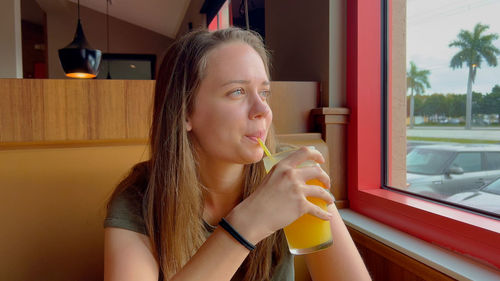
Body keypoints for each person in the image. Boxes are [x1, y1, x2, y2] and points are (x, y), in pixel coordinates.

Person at [103, 27, 371, 281]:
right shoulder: (140, 198)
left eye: (264, 93)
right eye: (237, 92)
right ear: (184, 111)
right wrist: (249, 222)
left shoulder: (292, 174)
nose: (263, 109)